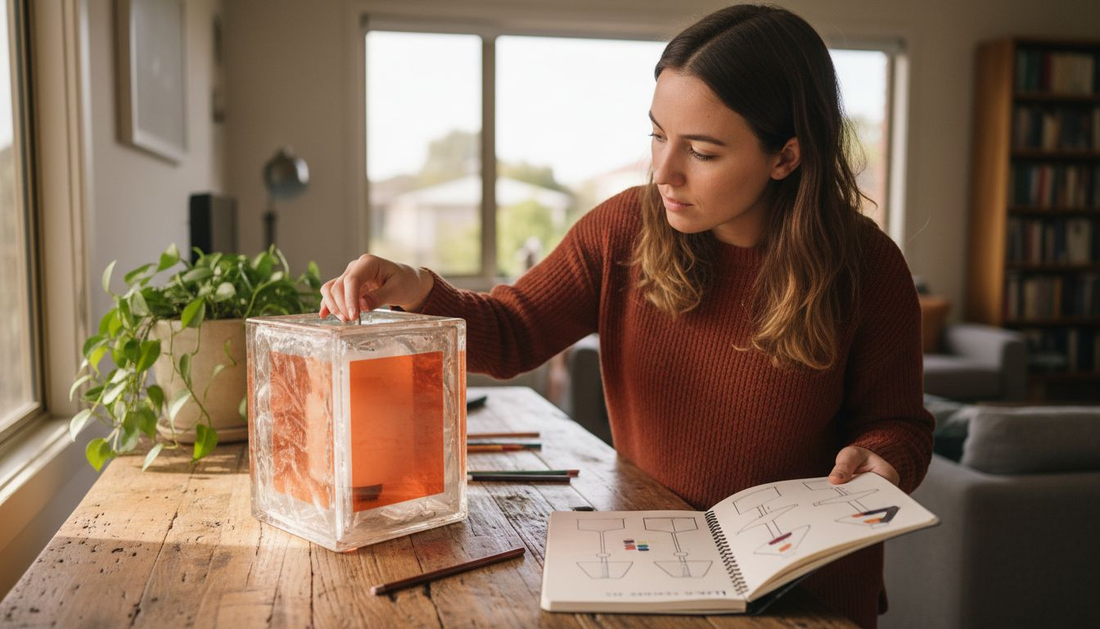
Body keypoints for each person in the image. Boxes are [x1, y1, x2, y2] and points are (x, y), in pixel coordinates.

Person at [319, 5, 933, 627]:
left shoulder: (867, 266)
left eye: (701, 151)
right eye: (658, 135)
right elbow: (512, 335)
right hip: (657, 568)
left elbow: (900, 425)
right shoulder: (623, 230)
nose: (663, 172)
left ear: (786, 157)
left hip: (807, 592)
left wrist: (884, 458)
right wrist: (414, 286)